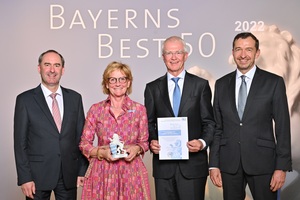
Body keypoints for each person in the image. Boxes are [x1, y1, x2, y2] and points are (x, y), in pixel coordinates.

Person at [209, 32, 292, 200]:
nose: (243, 55)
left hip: (263, 163)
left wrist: (281, 167)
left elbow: (283, 127)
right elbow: (218, 127)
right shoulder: (221, 84)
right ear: (233, 53)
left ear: (257, 53)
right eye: (238, 49)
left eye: (248, 49)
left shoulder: (273, 83)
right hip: (229, 164)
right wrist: (214, 164)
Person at [144, 36, 215, 200]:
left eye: (178, 52)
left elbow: (209, 123)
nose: (173, 57)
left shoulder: (200, 85)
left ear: (185, 55)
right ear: (163, 57)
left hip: (193, 167)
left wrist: (202, 143)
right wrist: (152, 141)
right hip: (164, 169)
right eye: (169, 53)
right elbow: (148, 123)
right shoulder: (152, 88)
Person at [14, 49, 88, 200]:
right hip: (36, 176)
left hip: (68, 175)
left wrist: (82, 170)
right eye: (47, 65)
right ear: (39, 68)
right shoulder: (25, 100)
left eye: (57, 65)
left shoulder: (75, 98)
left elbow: (81, 137)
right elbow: (20, 143)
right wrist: (25, 177)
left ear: (63, 69)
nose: (52, 70)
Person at [79, 61, 151, 200]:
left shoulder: (139, 110)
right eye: (113, 79)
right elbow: (84, 143)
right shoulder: (96, 109)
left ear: (128, 82)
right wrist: (102, 152)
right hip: (102, 173)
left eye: (122, 79)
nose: (118, 83)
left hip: (131, 173)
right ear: (106, 84)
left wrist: (137, 149)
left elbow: (144, 142)